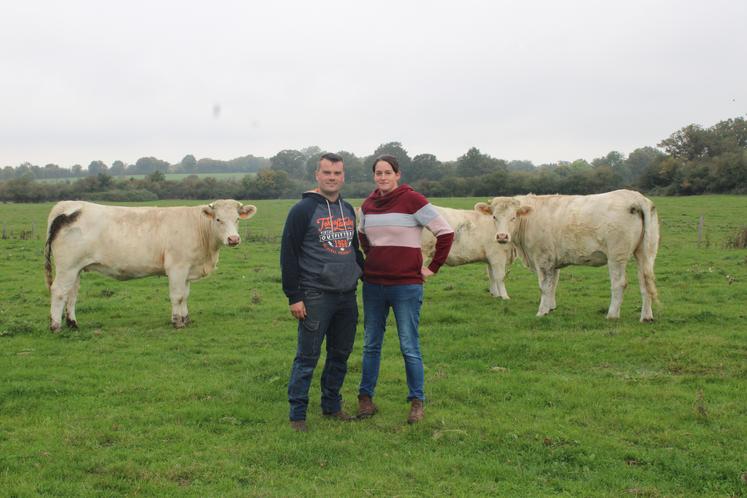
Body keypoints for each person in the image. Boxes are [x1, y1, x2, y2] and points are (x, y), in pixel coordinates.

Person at [356, 154, 454, 424]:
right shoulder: (368, 205)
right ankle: (365, 399)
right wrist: (373, 257)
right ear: (374, 176)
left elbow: (445, 232)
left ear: (398, 175)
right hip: (374, 284)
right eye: (378, 173)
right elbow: (362, 234)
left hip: (406, 286)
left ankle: (416, 401)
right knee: (370, 345)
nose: (383, 177)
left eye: (388, 172)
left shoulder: (414, 200)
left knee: (409, 345)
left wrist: (432, 267)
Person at [281, 152, 365, 432]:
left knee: (340, 355)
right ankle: (298, 415)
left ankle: (332, 406)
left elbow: (354, 250)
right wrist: (294, 296)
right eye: (327, 172)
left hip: (346, 296)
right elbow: (289, 255)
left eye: (337, 173)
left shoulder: (348, 209)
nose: (332, 178)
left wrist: (366, 273)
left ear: (344, 176)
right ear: (317, 175)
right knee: (307, 357)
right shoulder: (302, 210)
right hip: (315, 295)